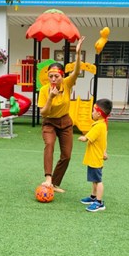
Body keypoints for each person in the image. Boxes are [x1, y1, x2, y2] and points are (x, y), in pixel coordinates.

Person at [38, 36, 85, 193]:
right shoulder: (44, 90)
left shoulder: (67, 83)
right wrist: (50, 97)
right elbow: (43, 112)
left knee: (66, 155)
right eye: (50, 76)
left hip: (65, 122)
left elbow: (77, 71)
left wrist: (77, 53)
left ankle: (55, 183)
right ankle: (48, 178)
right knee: (49, 144)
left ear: (62, 76)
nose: (53, 79)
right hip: (49, 123)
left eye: (56, 76)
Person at [78, 98, 112, 212]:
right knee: (94, 180)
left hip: (95, 158)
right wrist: (104, 151)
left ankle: (99, 202)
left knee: (98, 181)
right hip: (95, 157)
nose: (92, 113)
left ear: (98, 114)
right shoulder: (102, 125)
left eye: (93, 111)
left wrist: (82, 138)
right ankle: (93, 196)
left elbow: (87, 137)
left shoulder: (98, 126)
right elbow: (104, 141)